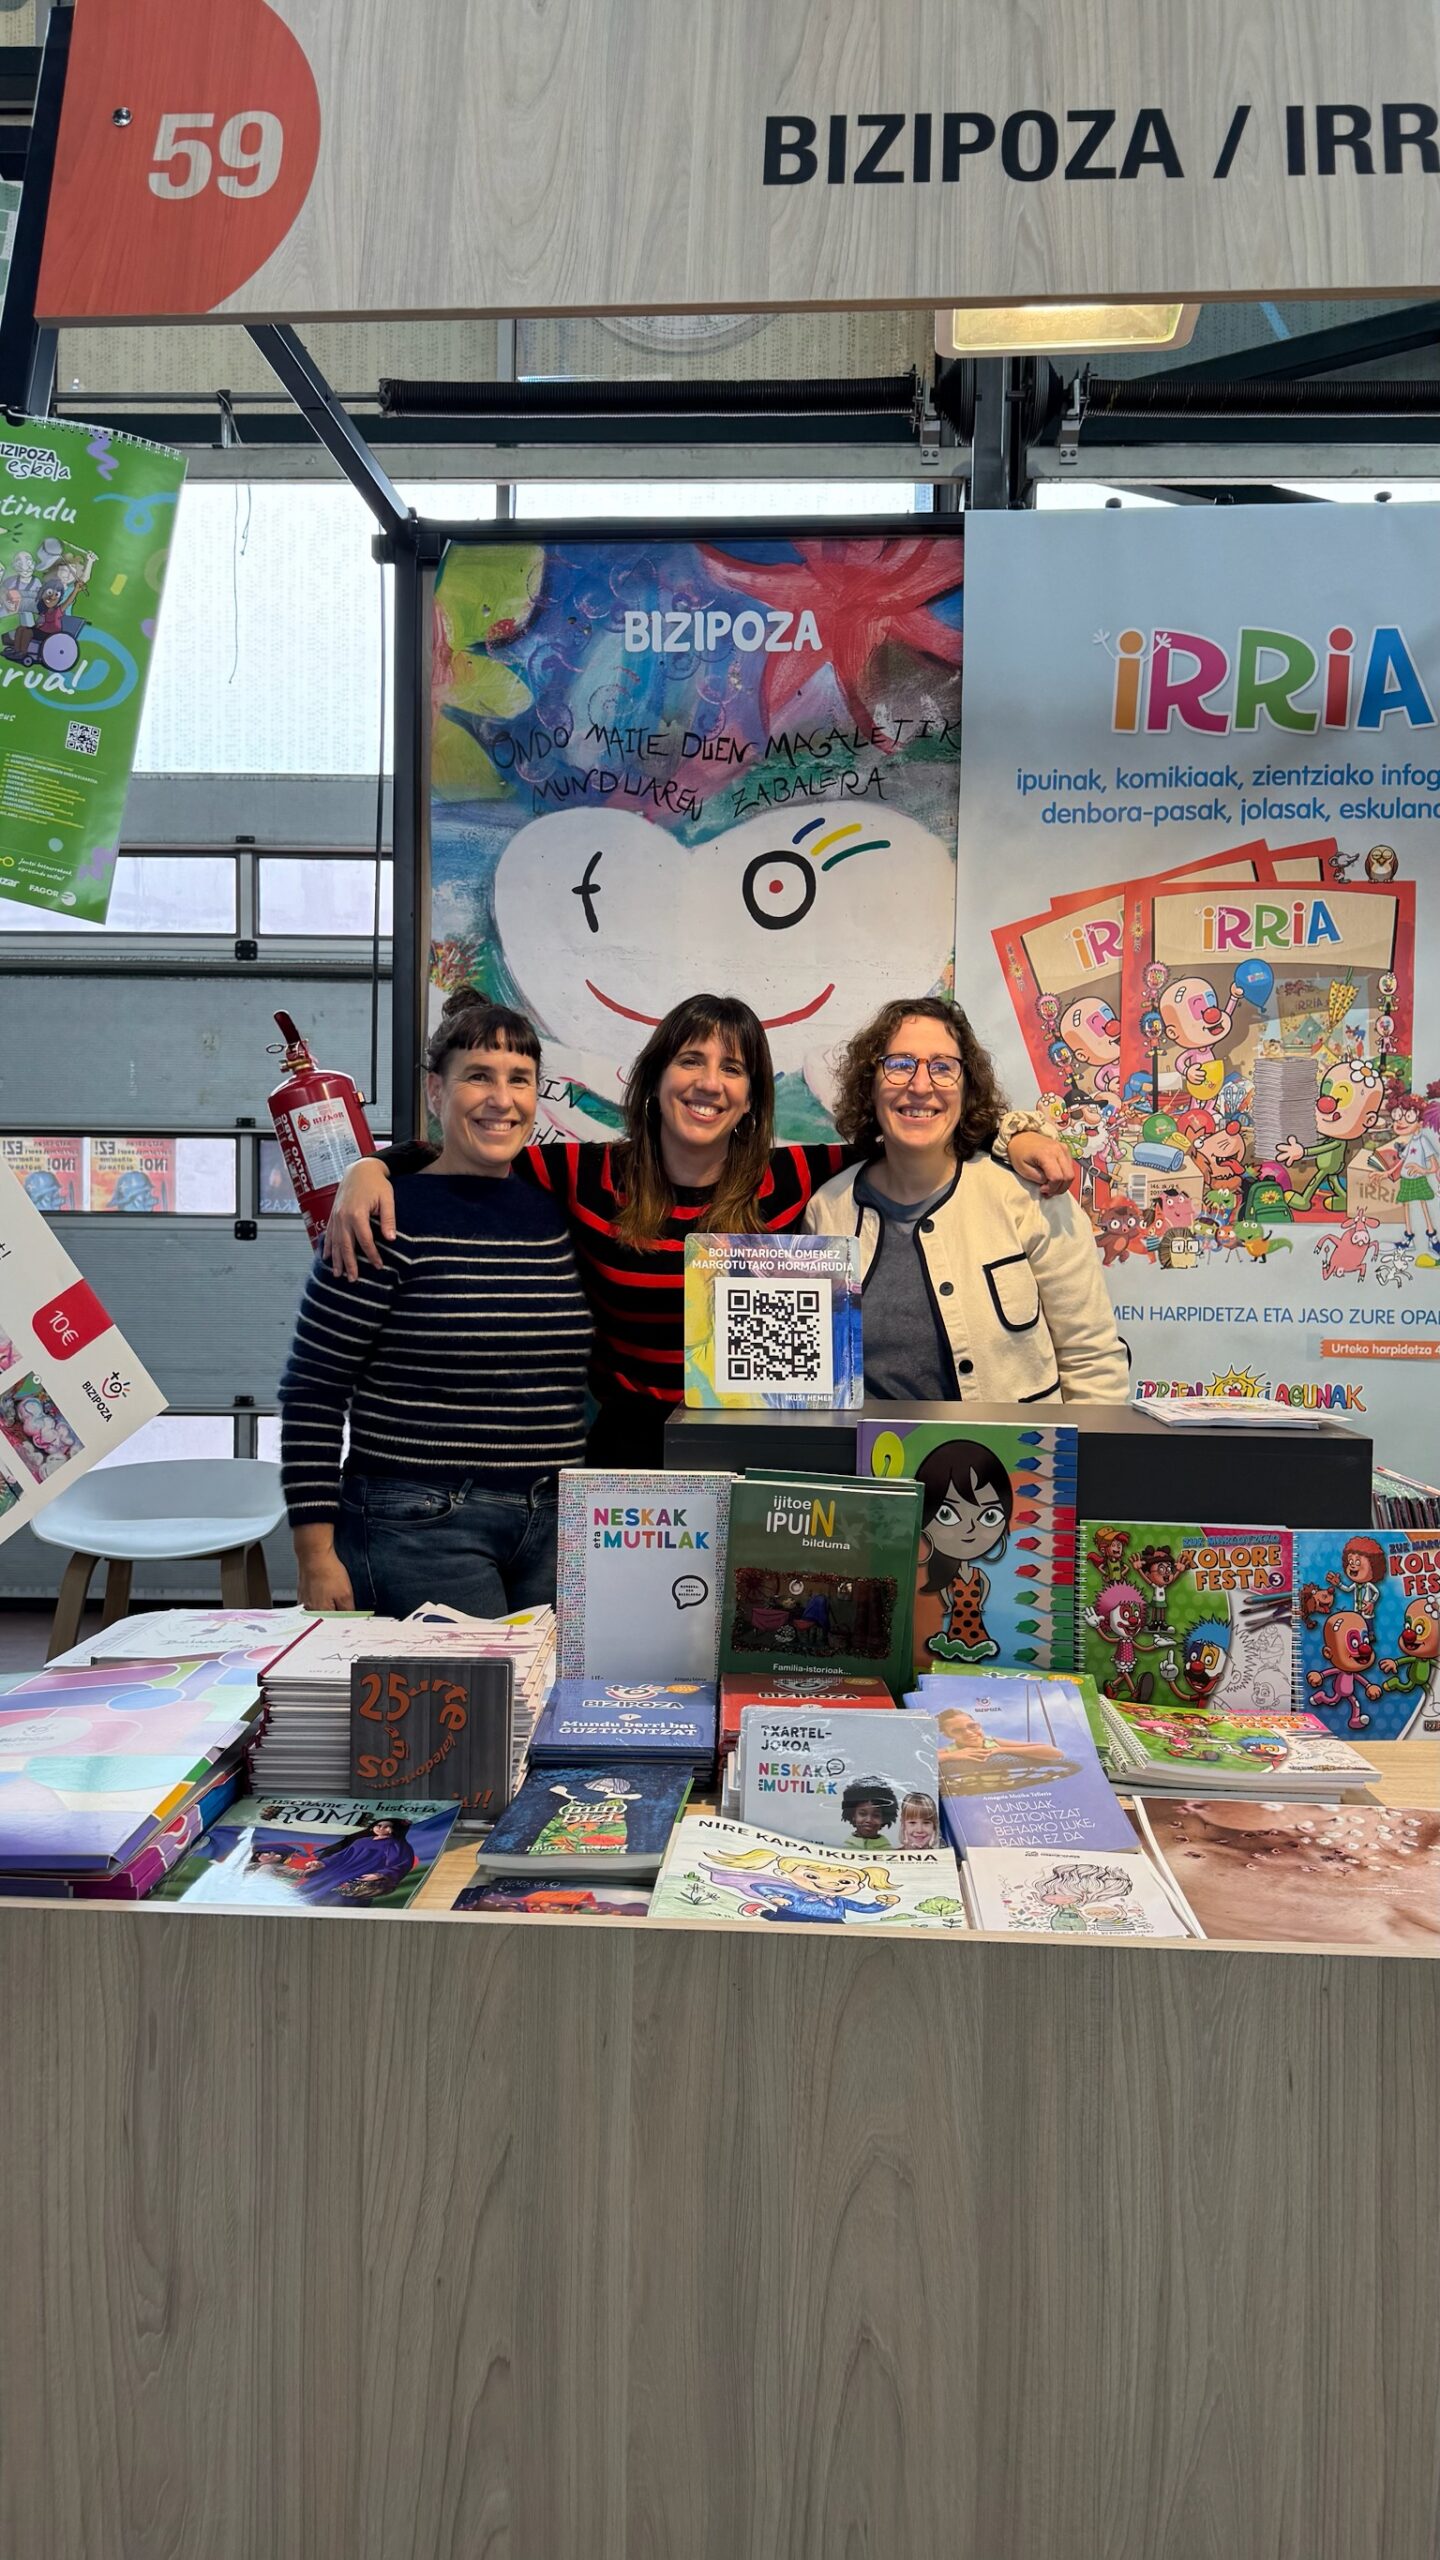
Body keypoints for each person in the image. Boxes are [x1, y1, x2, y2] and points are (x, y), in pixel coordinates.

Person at [324, 991, 1076, 1466]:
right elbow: (478, 1147)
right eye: (690, 1060)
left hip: (755, 1451)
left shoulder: (793, 1177)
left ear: (750, 1098)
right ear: (655, 1079)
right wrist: (374, 1167)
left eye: (733, 1069)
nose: (709, 1083)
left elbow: (914, 1120)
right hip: (627, 1457)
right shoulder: (584, 1174)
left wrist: (1016, 1136)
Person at [278, 993, 593, 1616]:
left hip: (558, 1523)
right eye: (478, 1077)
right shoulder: (382, 1217)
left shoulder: (554, 1210)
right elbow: (314, 1388)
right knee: (464, 1686)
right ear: (434, 1090)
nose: (502, 1099)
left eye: (519, 1079)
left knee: (551, 1685)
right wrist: (314, 1555)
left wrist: (371, 1162)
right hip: (418, 1526)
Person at [804, 995, 1129, 1404]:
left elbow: (1091, 1363)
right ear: (870, 1084)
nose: (920, 1086)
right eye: (900, 1064)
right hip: (872, 1447)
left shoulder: (1031, 1198)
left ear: (966, 1088)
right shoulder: (827, 1211)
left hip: (1020, 1447)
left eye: (943, 1067)